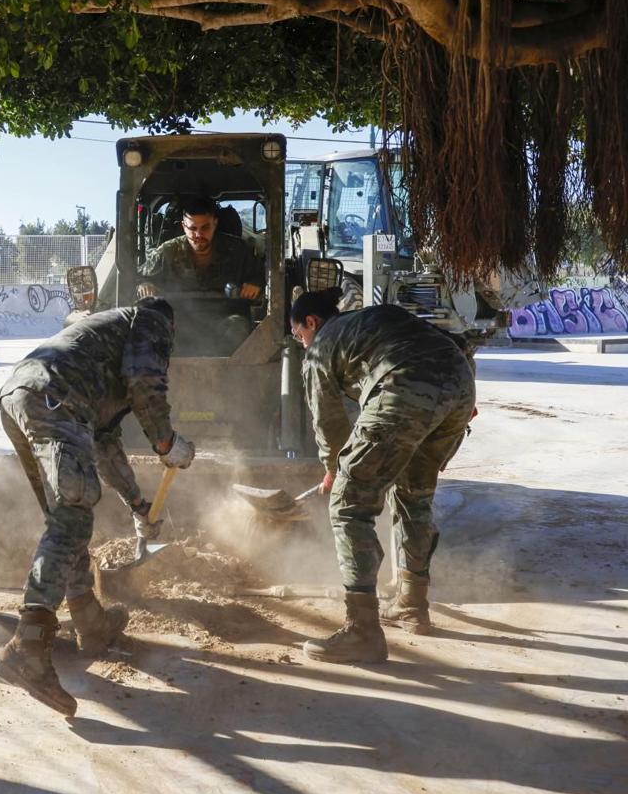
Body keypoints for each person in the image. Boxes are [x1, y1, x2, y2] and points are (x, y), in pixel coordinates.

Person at [0, 297, 195, 716]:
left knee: (64, 514)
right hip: (55, 400)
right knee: (73, 517)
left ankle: (88, 619)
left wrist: (138, 505)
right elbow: (144, 383)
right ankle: (27, 646)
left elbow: (104, 444)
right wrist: (165, 441)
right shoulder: (152, 318)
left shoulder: (99, 349)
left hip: (21, 395)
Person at [291, 290, 476, 663]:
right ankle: (412, 605)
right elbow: (456, 343)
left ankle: (362, 632)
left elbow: (327, 420)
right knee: (414, 494)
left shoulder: (321, 345)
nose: (302, 343)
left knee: (348, 505)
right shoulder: (373, 321)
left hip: (404, 385)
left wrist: (333, 471)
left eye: (298, 335)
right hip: (459, 386)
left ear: (311, 322)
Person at [138, 197, 265, 354]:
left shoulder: (238, 250)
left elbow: (264, 278)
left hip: (227, 317)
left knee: (237, 328)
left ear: (215, 224)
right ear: (183, 226)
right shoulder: (167, 253)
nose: (198, 234)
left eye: (205, 228)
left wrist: (255, 284)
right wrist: (145, 286)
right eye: (192, 228)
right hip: (181, 321)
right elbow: (141, 279)